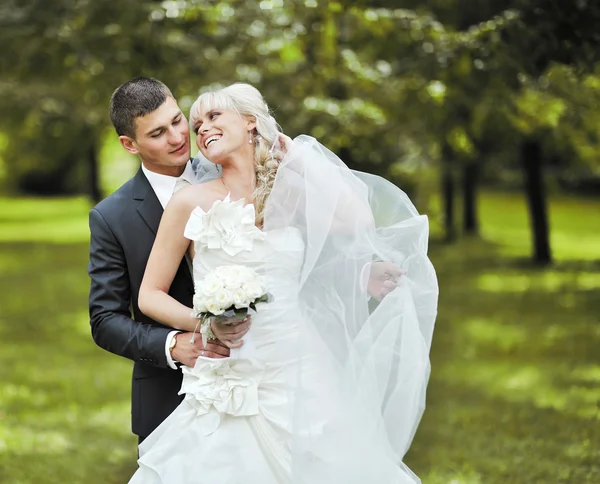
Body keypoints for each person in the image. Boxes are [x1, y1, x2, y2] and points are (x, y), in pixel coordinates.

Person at [130, 83, 438, 483]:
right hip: (232, 370)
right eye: (197, 123)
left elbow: (356, 225)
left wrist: (300, 161)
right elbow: (149, 295)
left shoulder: (289, 195)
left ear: (251, 122)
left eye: (214, 116)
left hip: (301, 366)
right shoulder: (189, 202)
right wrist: (204, 323)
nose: (201, 128)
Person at [87, 77, 231, 445]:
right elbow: (105, 319)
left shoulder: (232, 173)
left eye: (177, 121)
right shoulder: (111, 217)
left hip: (256, 369)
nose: (177, 137)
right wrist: (172, 345)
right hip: (169, 396)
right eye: (157, 133)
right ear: (129, 144)